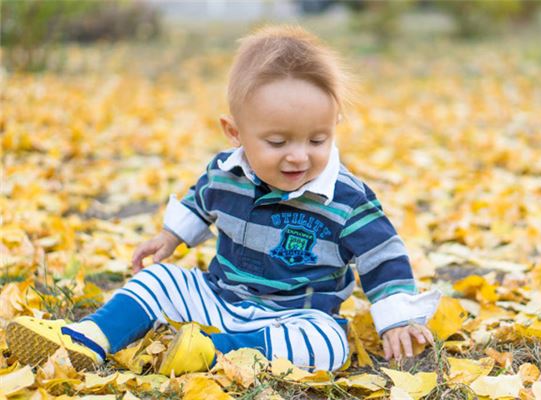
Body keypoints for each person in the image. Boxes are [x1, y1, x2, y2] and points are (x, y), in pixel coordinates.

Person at [7, 25, 441, 375]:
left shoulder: (346, 199)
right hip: (219, 296)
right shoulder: (226, 171)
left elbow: (384, 256)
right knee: (157, 281)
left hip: (291, 318)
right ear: (235, 133)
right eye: (277, 141)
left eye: (317, 139)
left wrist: (396, 316)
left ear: (334, 125)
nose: (298, 155)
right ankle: (90, 338)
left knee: (327, 344)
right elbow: (201, 199)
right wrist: (171, 236)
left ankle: (212, 353)